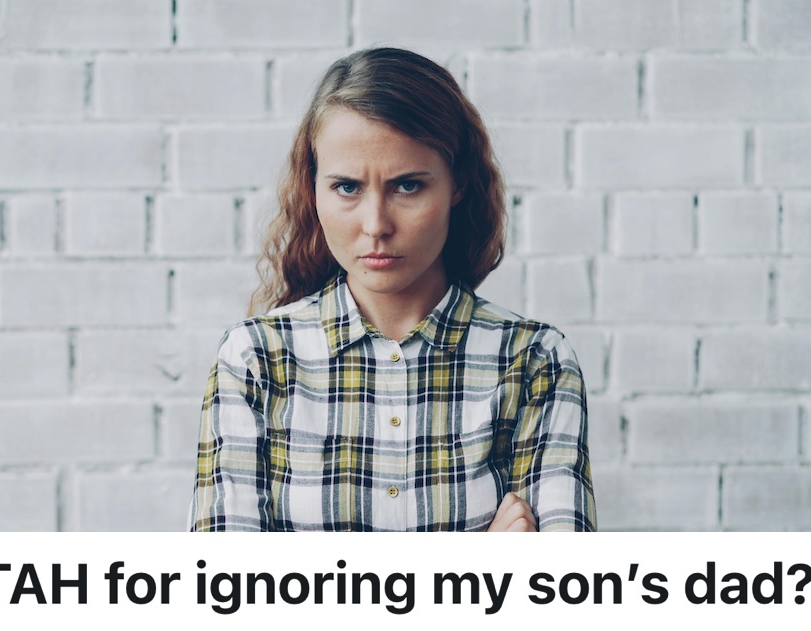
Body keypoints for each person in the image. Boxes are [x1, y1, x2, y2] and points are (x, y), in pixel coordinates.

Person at [187, 47, 595, 532]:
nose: (376, 225)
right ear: (312, 187)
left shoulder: (534, 361)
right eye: (346, 188)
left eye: (407, 187)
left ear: (457, 184)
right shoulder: (254, 359)